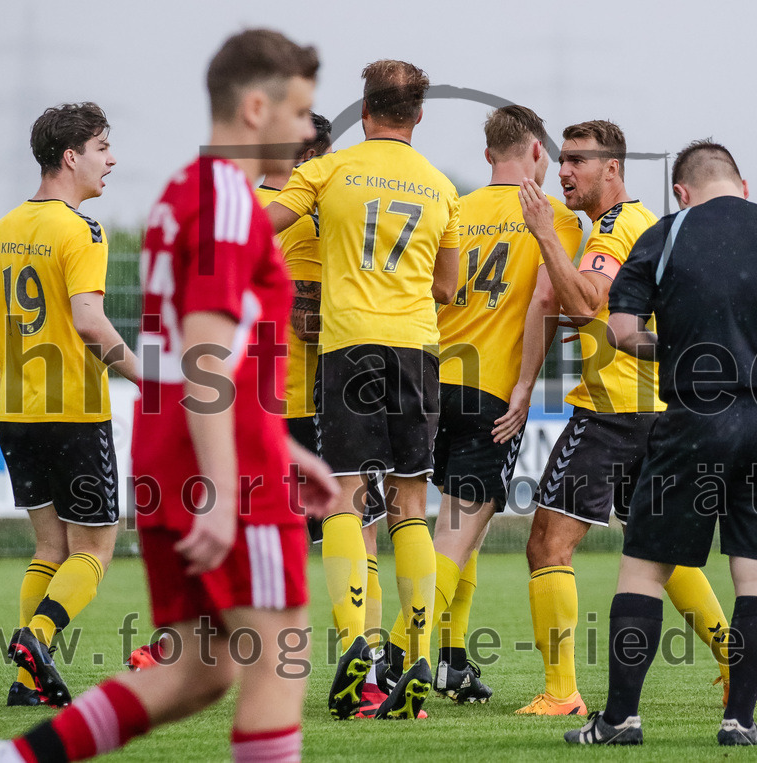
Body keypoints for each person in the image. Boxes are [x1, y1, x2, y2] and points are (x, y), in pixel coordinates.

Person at [0, 28, 337, 762]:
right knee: (278, 655)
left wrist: (282, 443)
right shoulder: (227, 199)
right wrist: (227, 488)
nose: (308, 134)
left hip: (172, 449)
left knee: (202, 666)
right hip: (223, 463)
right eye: (300, 114)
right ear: (256, 107)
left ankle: (10, 756)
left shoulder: (180, 194)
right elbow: (206, 350)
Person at [564, 140, 757, 747]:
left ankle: (619, 721)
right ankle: (740, 722)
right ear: (743, 185)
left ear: (681, 192)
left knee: (644, 568)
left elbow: (620, 331)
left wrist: (690, 353)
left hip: (693, 421)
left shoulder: (665, 234)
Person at [516, 121, 736, 716]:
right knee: (657, 548)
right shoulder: (647, 224)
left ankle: (561, 694)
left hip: (612, 411)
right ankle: (733, 659)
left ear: (612, 170)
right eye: (561, 160)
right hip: (657, 409)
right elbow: (609, 309)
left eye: (578, 161)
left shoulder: (612, 230)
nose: (564, 172)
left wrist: (544, 235)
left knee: (546, 546)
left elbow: (587, 297)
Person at [268, 59, 460, 720]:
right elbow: (447, 287)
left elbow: (268, 222)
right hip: (415, 347)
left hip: (347, 347)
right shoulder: (440, 186)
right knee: (411, 502)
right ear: (420, 114)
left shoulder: (330, 169)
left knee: (346, 497)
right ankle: (411, 655)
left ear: (365, 107)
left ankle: (356, 646)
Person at [382, 105, 581, 704]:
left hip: (427, 380)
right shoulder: (557, 218)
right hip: (490, 389)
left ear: (487, 155)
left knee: (440, 525)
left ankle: (451, 659)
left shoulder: (454, 207)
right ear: (539, 153)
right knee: (459, 533)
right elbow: (547, 301)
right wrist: (525, 386)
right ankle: (394, 658)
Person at [0, 103, 139, 708]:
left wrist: (14, 361)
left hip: (15, 415)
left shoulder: (2, 228)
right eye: (102, 148)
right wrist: (146, 378)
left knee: (48, 548)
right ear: (70, 156)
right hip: (74, 414)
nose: (111, 161)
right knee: (94, 549)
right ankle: (34, 640)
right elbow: (89, 322)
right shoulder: (81, 229)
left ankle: (27, 680)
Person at [257, 114, 392, 718]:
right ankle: (367, 660)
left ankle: (174, 647)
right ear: (315, 159)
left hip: (256, 400)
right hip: (315, 396)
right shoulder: (307, 222)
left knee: (256, 539)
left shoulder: (247, 213)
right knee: (357, 527)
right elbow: (308, 317)